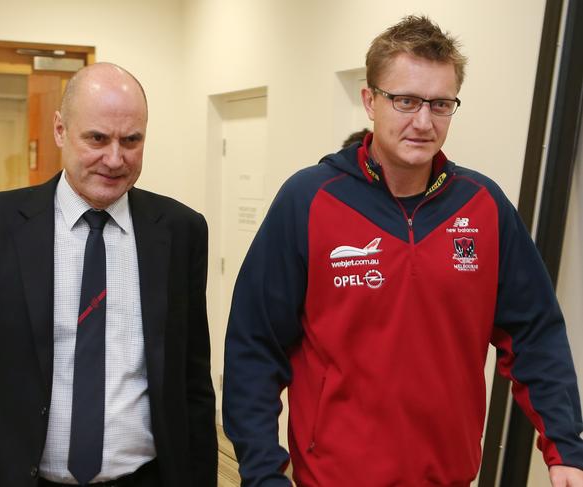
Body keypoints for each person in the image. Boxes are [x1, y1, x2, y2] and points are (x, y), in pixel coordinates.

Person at [223, 15, 583, 487]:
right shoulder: (310, 200)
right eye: (406, 100)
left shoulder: (483, 206)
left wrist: (565, 449)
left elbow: (536, 332)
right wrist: (262, 471)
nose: (423, 121)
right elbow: (255, 345)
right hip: (332, 477)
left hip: (448, 477)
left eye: (440, 104)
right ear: (370, 100)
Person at [0, 63, 217, 487]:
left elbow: (193, 382)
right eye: (97, 139)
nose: (115, 159)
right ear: (61, 130)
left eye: (132, 140)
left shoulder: (180, 231)